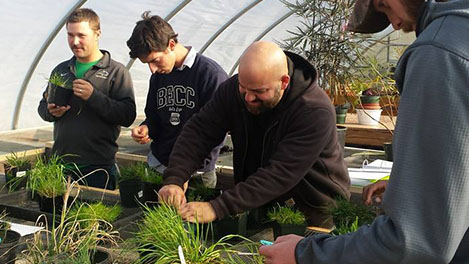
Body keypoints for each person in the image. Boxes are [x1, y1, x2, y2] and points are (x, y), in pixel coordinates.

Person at [259, 0, 469, 263]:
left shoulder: (440, 54)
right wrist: (416, 185)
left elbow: (413, 242)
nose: (395, 24)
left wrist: (305, 254)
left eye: (384, 8)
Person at [159, 40, 350, 227]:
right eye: (243, 87)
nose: (248, 97)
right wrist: (175, 178)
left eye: (259, 91)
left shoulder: (313, 110)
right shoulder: (232, 91)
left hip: (313, 207)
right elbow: (200, 131)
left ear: (284, 82)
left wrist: (218, 207)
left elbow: (281, 173)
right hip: (259, 201)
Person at [126, 12, 228, 188]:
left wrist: (185, 170)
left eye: (155, 61)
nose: (152, 69)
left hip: (196, 172)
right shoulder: (159, 76)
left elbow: (216, 132)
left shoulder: (210, 75)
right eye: (147, 64)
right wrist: (147, 128)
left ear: (171, 44)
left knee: (192, 215)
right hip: (159, 164)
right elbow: (154, 115)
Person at [38, 8, 136, 190]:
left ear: (97, 34)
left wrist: (94, 96)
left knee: (94, 217)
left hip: (98, 168)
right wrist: (51, 112)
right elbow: (43, 108)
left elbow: (127, 115)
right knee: (59, 218)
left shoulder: (116, 72)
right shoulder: (61, 70)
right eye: (70, 35)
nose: (75, 42)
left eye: (81, 35)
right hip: (61, 164)